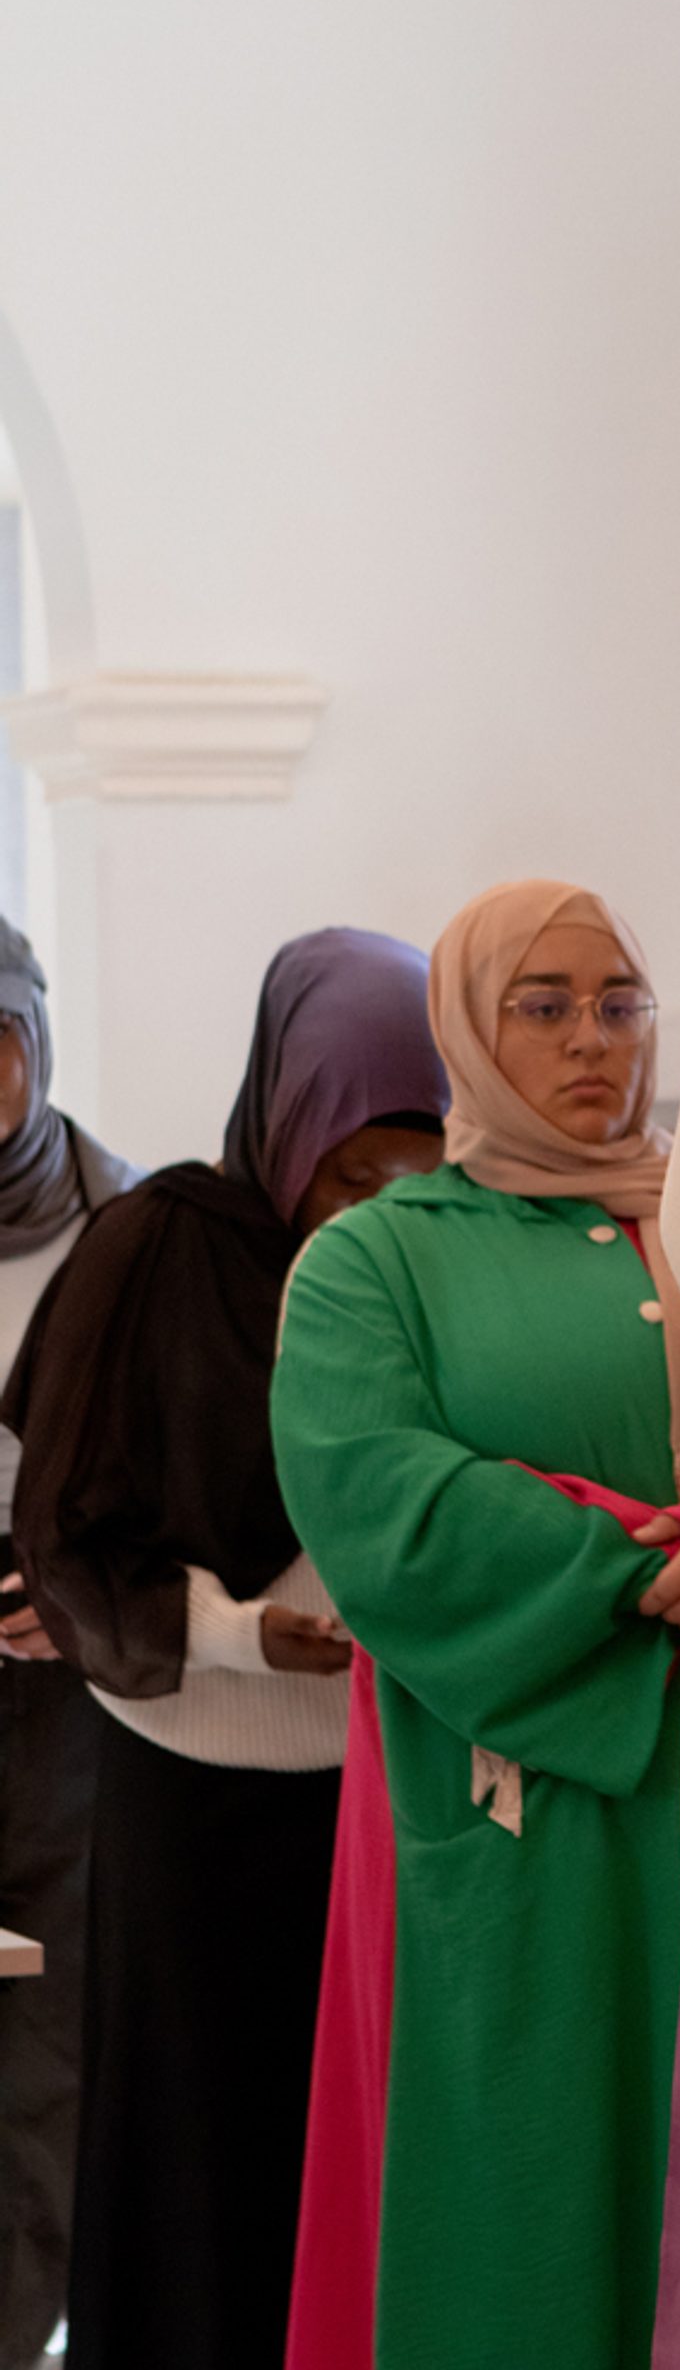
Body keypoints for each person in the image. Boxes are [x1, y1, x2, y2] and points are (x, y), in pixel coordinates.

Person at [272, 881, 680, 2370]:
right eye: (542, 1005)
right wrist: (633, 1566)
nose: (591, 1038)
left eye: (619, 1001)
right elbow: (380, 1496)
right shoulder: (376, 1262)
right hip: (523, 1786)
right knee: (531, 2185)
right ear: (467, 1031)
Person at [5, 930, 447, 2370]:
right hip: (188, 1787)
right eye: (348, 1168)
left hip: (383, 1784)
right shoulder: (159, 1245)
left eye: (414, 1167)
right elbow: (72, 1520)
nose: (375, 1203)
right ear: (287, 1124)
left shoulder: (440, 1264)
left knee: (363, 2145)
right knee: (193, 2147)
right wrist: (243, 1635)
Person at [0, 922, 137, 2370]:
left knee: (53, 2052)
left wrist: (96, 1590)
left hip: (78, 1681)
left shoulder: (131, 1226)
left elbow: (195, 1464)